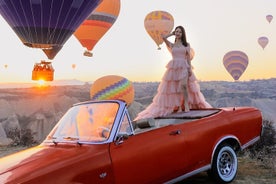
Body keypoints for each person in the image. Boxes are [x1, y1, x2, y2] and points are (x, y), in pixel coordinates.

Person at [134, 25, 211, 121]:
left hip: (184, 66)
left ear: (183, 34)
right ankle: (179, 106)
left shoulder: (186, 45)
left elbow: (188, 58)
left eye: (180, 32)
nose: (178, 33)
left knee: (184, 86)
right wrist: (172, 33)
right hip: (174, 67)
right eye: (177, 31)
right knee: (176, 88)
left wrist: (189, 69)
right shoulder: (172, 45)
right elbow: (163, 38)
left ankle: (186, 104)